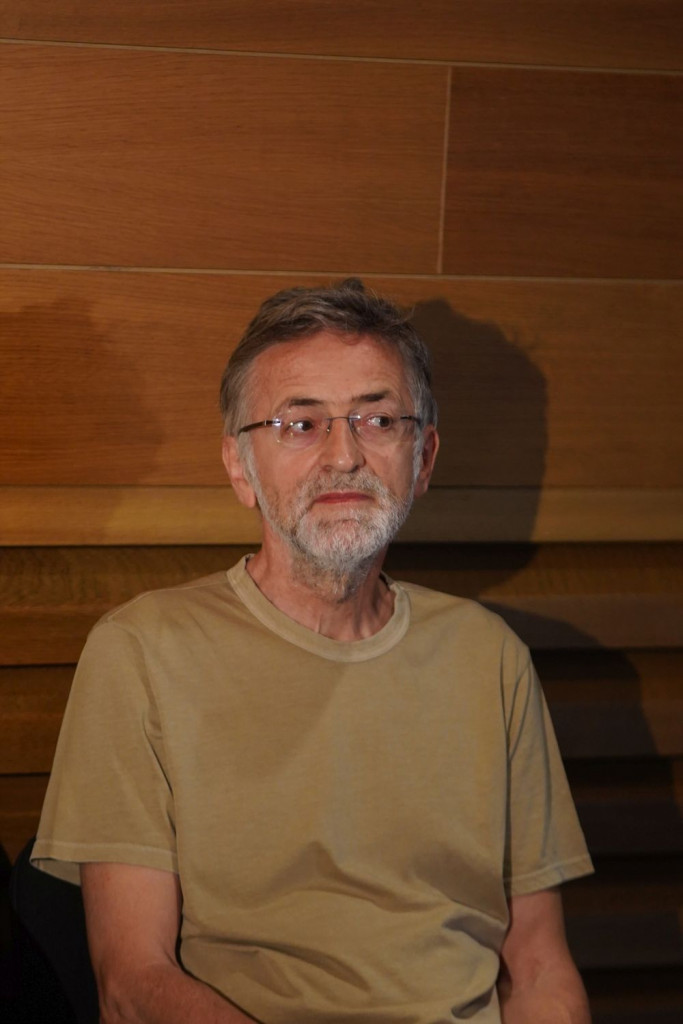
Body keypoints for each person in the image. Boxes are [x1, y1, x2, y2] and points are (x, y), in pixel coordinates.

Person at [33, 279, 593, 1023]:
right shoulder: (141, 652)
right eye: (300, 425)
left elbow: (541, 967)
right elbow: (134, 982)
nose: (344, 455)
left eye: (378, 419)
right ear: (240, 467)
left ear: (422, 458)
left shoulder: (489, 657)